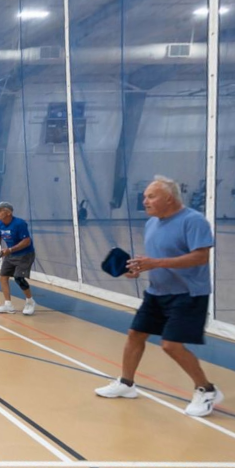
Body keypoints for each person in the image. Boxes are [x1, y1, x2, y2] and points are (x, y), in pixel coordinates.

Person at [95, 176, 222, 417]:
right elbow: (157, 258)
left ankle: (206, 389)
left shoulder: (193, 221)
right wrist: (139, 268)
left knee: (171, 345)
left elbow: (200, 257)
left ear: (169, 198)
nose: (145, 201)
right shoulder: (152, 223)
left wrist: (156, 263)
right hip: (156, 293)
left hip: (187, 294)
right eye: (144, 197)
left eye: (151, 196)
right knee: (135, 335)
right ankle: (126, 384)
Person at [0, 201, 38, 316]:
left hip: (24, 255)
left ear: (8, 213)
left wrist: (10, 250)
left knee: (19, 278)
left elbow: (27, 241)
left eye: (0, 210)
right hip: (10, 254)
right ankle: (8, 305)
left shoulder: (19, 223)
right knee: (3, 277)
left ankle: (30, 302)